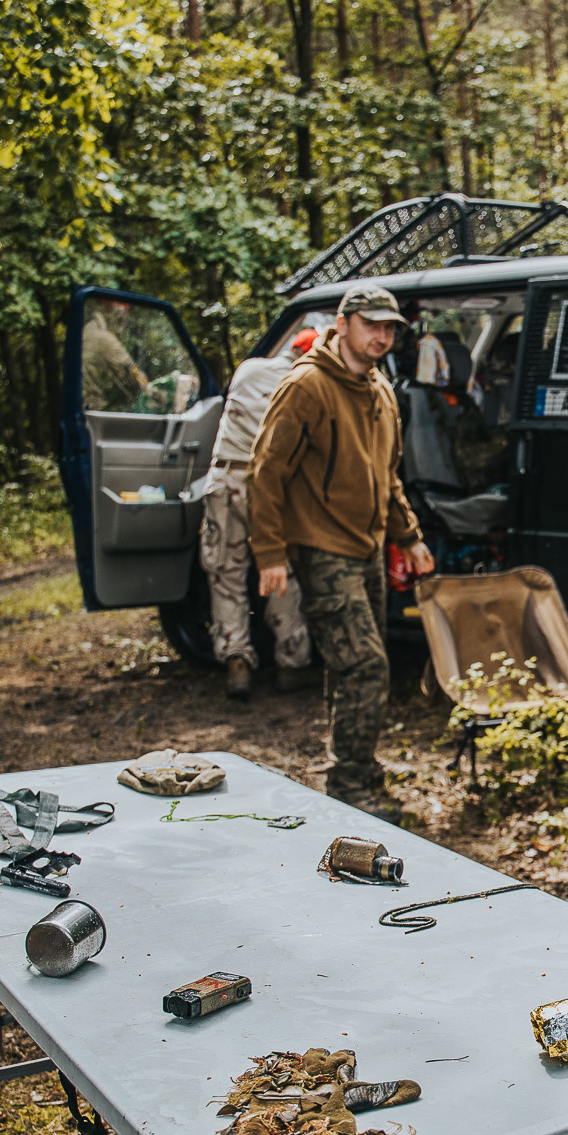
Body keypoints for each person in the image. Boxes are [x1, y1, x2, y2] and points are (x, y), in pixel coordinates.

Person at [250, 283, 436, 820]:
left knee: (348, 665)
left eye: (389, 328)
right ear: (344, 322)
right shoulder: (307, 385)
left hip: (368, 547)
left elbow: (388, 476)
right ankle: (350, 786)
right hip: (321, 546)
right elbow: (266, 472)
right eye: (372, 325)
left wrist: (409, 536)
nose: (381, 336)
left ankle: (357, 764)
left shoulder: (381, 390)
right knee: (366, 666)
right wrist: (269, 554)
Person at [203, 327, 317, 700]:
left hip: (225, 481)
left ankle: (237, 661)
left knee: (226, 576)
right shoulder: (306, 382)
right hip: (269, 489)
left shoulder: (249, 369)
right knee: (279, 573)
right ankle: (290, 663)